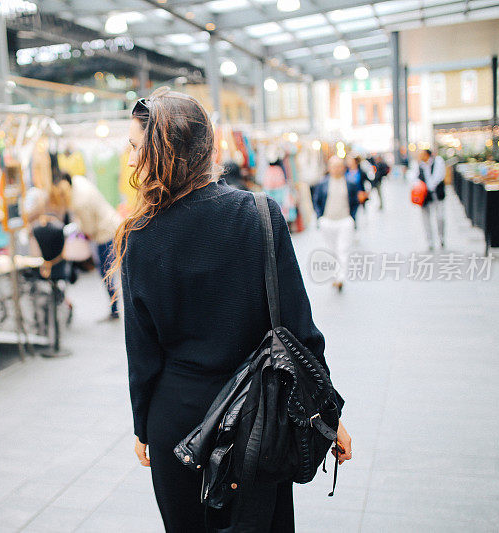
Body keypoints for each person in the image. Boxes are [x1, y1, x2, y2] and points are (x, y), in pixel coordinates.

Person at [113, 87, 352, 533]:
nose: (129, 161)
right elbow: (299, 330)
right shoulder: (260, 214)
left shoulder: (140, 235)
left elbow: (141, 353)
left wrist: (143, 425)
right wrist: (327, 414)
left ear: (168, 153)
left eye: (135, 148)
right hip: (260, 414)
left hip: (178, 422)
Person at [50, 173, 122, 319]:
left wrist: (78, 230)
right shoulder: (77, 180)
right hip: (113, 223)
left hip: (105, 233)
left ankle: (115, 311)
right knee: (112, 273)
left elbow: (89, 230)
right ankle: (115, 310)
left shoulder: (79, 202)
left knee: (106, 274)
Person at [312, 156, 361, 292]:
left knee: (343, 249)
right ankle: (335, 275)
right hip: (327, 221)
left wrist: (352, 217)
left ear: (343, 167)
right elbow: (316, 201)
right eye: (333, 166)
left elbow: (355, 202)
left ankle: (340, 277)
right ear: (329, 168)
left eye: (339, 166)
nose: (336, 169)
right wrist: (320, 217)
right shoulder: (323, 183)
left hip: (344, 221)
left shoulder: (350, 183)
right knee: (331, 250)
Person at [408, 149, 446, 250]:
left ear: (427, 155)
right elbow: (413, 177)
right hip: (424, 197)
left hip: (437, 194)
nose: (420, 157)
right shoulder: (418, 164)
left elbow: (439, 176)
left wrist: (428, 186)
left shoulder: (438, 161)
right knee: (425, 219)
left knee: (440, 217)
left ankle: (441, 238)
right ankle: (430, 241)